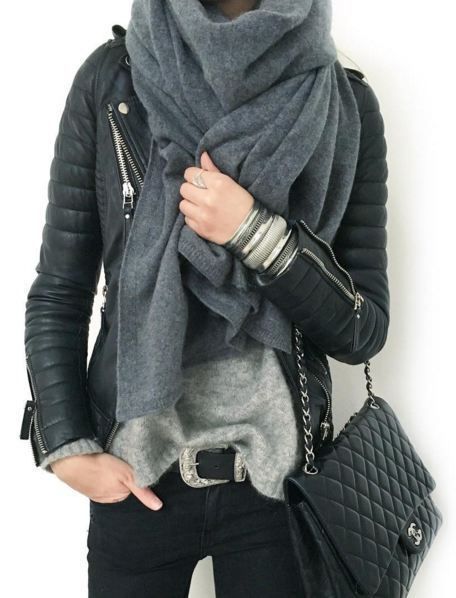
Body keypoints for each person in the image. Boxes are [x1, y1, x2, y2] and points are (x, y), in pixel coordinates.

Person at [20, 0, 390, 596]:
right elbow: (60, 289)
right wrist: (63, 443)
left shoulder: (343, 103)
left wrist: (256, 234)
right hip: (135, 476)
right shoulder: (113, 83)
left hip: (278, 493)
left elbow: (362, 330)